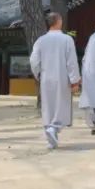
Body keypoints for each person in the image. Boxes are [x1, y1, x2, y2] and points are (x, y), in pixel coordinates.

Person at [29, 12, 81, 150]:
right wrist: (75, 80)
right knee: (61, 105)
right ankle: (55, 128)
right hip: (62, 77)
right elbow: (71, 62)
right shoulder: (66, 39)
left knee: (48, 106)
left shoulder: (40, 40)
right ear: (59, 21)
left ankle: (51, 140)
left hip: (46, 77)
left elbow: (34, 60)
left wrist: (37, 73)